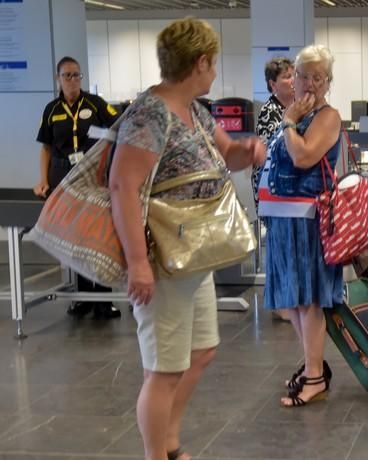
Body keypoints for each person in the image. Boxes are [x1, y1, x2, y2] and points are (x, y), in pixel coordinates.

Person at [109, 18, 265, 460]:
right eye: (212, 63)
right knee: (163, 371)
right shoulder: (150, 114)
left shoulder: (195, 111)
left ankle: (170, 443)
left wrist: (247, 149)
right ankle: (156, 453)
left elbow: (227, 154)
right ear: (199, 63)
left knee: (201, 352)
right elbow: (124, 188)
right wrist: (138, 264)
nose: (214, 72)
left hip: (193, 256)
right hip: (163, 259)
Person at [261, 44, 342, 407]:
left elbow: (303, 155)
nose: (309, 83)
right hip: (281, 216)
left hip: (308, 220)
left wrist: (290, 121)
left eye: (317, 77)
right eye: (303, 75)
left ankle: (314, 376)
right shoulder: (291, 115)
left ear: (327, 82)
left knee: (308, 300)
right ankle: (313, 365)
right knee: (292, 300)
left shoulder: (326, 116)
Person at [35, 56, 121, 319]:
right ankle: (83, 297)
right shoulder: (51, 109)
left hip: (92, 176)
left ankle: (103, 299)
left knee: (95, 234)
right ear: (58, 79)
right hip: (63, 176)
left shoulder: (95, 104)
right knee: (74, 235)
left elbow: (120, 127)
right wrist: (43, 180)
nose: (72, 80)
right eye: (67, 76)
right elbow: (46, 148)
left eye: (76, 75)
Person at [254, 57, 295, 322]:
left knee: (287, 243)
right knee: (278, 244)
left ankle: (288, 296)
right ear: (272, 84)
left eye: (294, 75)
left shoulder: (293, 107)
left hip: (290, 188)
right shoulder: (269, 112)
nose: (292, 82)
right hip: (272, 189)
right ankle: (279, 301)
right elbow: (275, 149)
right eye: (286, 77)